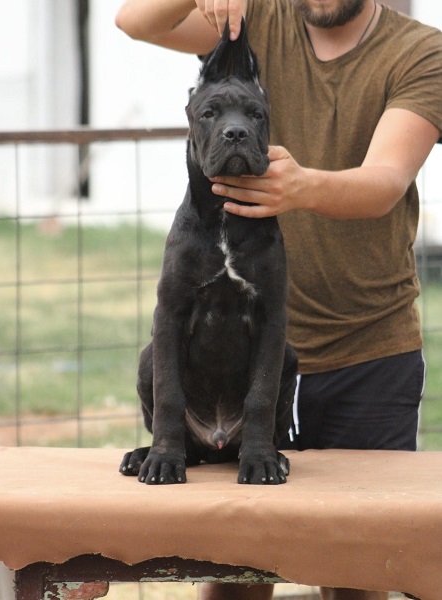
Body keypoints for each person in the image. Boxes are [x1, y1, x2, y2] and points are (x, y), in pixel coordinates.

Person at [115, 1, 442, 599]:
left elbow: (386, 181)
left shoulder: (422, 51)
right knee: (235, 570)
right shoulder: (252, 21)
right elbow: (135, 21)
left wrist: (301, 185)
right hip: (237, 368)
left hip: (365, 349)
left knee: (354, 574)